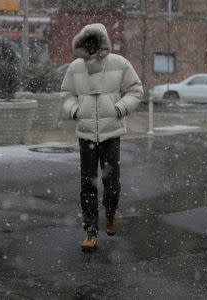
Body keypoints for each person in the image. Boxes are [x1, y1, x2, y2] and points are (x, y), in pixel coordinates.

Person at [61, 23, 144, 252]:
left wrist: (119, 109)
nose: (91, 47)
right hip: (86, 134)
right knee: (87, 183)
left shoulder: (119, 64)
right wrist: (75, 111)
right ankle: (90, 230)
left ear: (102, 42)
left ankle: (110, 210)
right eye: (87, 42)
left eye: (94, 42)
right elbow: (66, 94)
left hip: (111, 133)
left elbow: (137, 90)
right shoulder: (76, 67)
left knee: (111, 181)